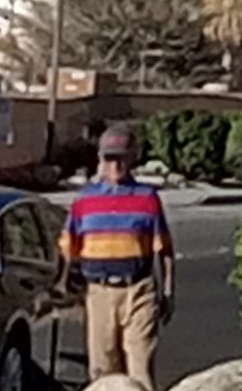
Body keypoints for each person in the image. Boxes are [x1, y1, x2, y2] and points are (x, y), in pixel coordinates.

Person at [62, 120, 177, 388]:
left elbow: (165, 250)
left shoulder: (147, 198)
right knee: (103, 372)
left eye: (121, 159)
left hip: (138, 289)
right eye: (109, 159)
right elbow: (70, 248)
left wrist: (169, 292)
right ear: (100, 159)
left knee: (140, 370)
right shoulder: (84, 201)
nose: (115, 166)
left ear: (132, 159)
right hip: (99, 291)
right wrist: (63, 286)